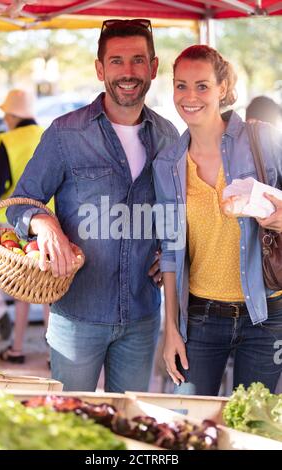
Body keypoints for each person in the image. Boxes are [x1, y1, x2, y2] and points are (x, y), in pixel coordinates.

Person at [6, 19, 179, 392]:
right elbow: (19, 203)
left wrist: (168, 249)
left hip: (142, 316)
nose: (128, 72)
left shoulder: (168, 136)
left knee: (128, 429)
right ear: (100, 68)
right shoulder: (65, 134)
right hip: (77, 316)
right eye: (116, 61)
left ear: (153, 67)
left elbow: (178, 213)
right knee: (71, 427)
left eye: (137, 60)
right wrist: (45, 223)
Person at [153, 45, 282, 396]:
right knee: (188, 420)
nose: (189, 96)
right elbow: (169, 251)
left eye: (202, 86)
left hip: (266, 315)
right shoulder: (167, 164)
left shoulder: (263, 140)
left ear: (222, 88)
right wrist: (171, 330)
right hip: (201, 319)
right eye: (181, 86)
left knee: (251, 426)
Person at [0, 89, 52, 364]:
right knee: (48, 288)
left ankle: (18, 348)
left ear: (11, 115)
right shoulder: (47, 135)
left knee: (21, 287)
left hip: (19, 221)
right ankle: (51, 353)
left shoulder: (8, 140)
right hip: (51, 221)